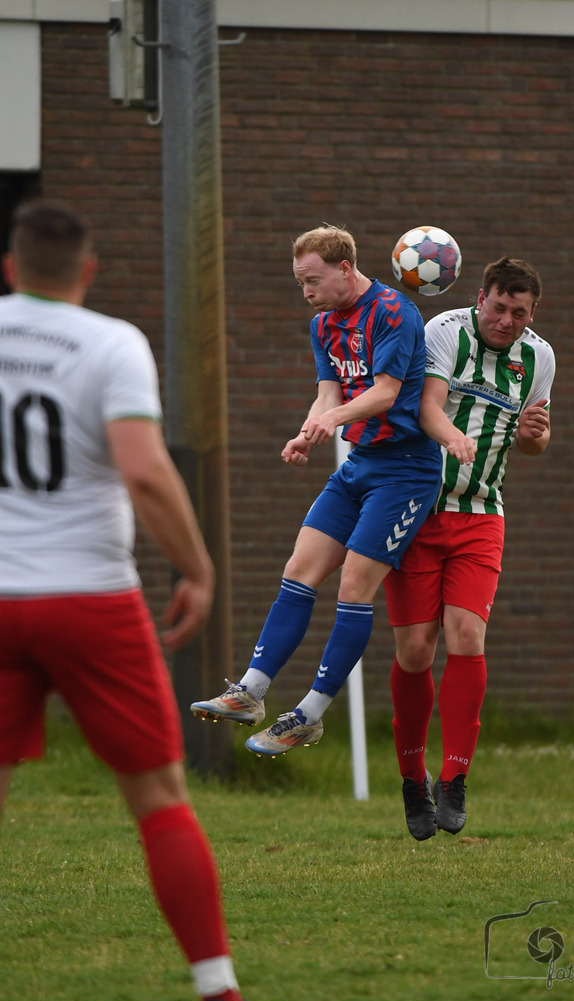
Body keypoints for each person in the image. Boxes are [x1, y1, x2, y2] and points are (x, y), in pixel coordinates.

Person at [0, 200, 267, 1001]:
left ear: (10, 269)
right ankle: (218, 995)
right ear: (87, 271)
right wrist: (197, 567)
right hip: (90, 596)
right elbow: (145, 472)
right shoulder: (111, 342)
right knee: (158, 797)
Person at [191, 224, 454, 756]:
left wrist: (332, 418)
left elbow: (384, 393)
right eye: (300, 283)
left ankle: (308, 716)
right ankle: (251, 692)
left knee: (353, 588)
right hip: (360, 466)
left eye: (312, 281)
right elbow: (328, 394)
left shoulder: (394, 312)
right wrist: (308, 431)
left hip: (406, 472)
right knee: (298, 570)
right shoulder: (323, 325)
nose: (306, 292)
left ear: (344, 269)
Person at [383, 256, 555, 841]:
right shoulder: (444, 331)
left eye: (519, 313)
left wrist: (535, 437)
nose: (506, 320)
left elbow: (532, 441)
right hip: (417, 510)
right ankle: (412, 780)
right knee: (414, 651)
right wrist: (454, 437)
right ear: (481, 298)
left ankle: (454, 778)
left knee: (467, 636)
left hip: (482, 514)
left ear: (532, 313)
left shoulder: (540, 357)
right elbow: (426, 404)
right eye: (499, 307)